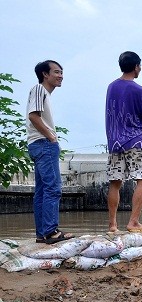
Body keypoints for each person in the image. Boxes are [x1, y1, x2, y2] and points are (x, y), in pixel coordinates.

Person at [105, 51, 142, 234]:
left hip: (115, 142)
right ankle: (133, 222)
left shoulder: (111, 87)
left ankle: (112, 225)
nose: (140, 69)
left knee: (115, 181)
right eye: (139, 66)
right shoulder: (139, 90)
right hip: (136, 140)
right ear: (136, 67)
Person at [26, 60, 74, 244]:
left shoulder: (43, 93)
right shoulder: (39, 90)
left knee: (42, 191)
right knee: (53, 188)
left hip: (38, 144)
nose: (60, 75)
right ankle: (51, 231)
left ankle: (42, 233)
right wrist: (51, 137)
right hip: (44, 143)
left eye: (61, 72)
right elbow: (33, 115)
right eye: (56, 72)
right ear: (45, 74)